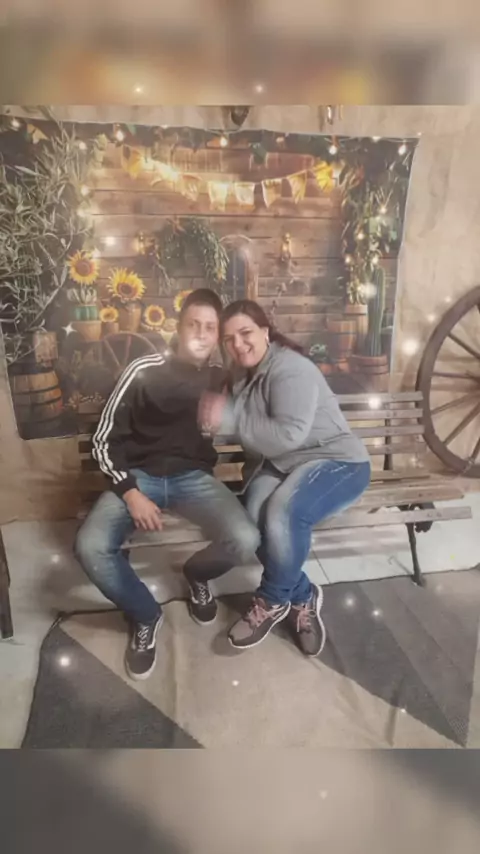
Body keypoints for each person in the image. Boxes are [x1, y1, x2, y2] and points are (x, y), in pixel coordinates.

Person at [75, 289, 260, 681]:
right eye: (193, 324)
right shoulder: (143, 369)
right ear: (178, 327)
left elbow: (257, 398)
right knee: (90, 547)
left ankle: (198, 574)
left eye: (209, 327)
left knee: (245, 538)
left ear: (217, 336)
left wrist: (228, 408)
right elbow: (103, 439)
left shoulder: (221, 377)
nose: (201, 334)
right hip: (139, 477)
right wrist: (130, 492)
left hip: (194, 479)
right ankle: (145, 613)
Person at [199, 299, 371, 657]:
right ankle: (303, 594)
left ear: (265, 331)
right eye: (229, 339)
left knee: (283, 511)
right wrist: (213, 421)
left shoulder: (291, 369)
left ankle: (272, 600)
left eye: (245, 333)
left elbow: (287, 435)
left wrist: (229, 417)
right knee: (250, 522)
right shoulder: (241, 375)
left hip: (337, 461)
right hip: (283, 464)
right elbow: (254, 437)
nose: (238, 344)